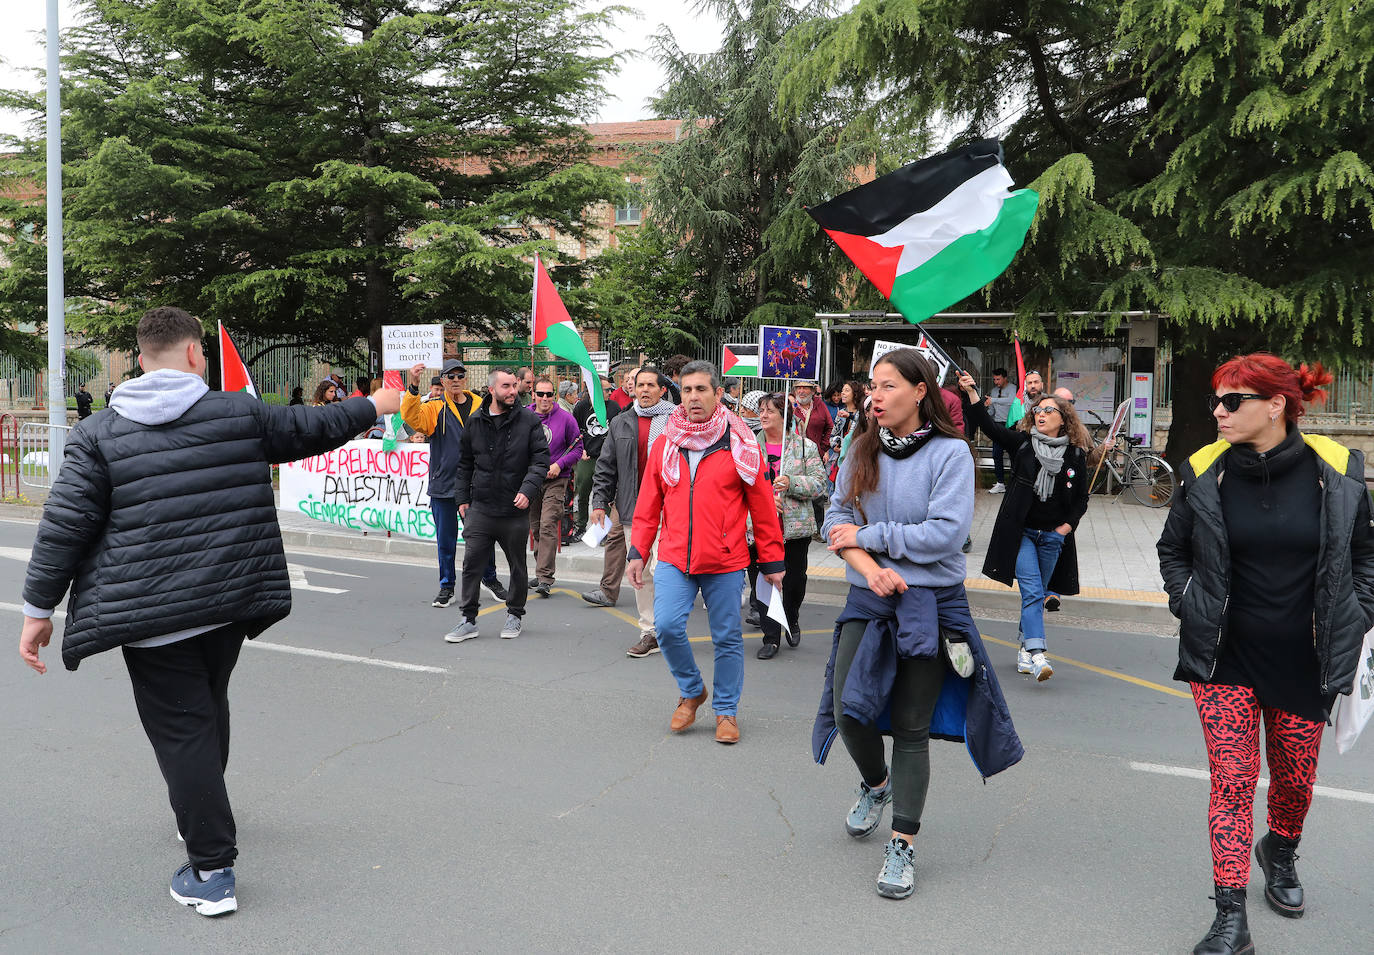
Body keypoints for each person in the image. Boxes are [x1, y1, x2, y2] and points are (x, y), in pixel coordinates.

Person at [19, 306, 400, 917]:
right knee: (207, 703)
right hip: (228, 603)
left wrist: (39, 609)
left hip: (149, 614)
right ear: (197, 355)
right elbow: (313, 425)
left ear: (140, 360)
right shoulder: (237, 413)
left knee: (182, 728)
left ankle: (211, 869)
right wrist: (377, 404)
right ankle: (200, 809)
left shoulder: (99, 434)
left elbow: (65, 526)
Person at [1156, 354, 1374, 955]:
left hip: (1306, 657)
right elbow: (1172, 551)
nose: (1218, 412)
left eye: (1232, 401)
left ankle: (1279, 848)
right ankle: (1230, 916)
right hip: (1224, 658)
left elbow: (1364, 555)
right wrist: (1188, 602)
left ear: (1276, 405)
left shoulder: (1337, 469)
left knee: (1296, 780)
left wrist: (1359, 614)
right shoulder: (1204, 470)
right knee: (1230, 782)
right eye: (1215, 401)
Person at [816, 348, 1021, 901]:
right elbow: (836, 520)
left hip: (932, 603)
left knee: (910, 727)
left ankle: (903, 843)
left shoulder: (951, 453)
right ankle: (875, 785)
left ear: (919, 392)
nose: (873, 396)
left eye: (886, 386)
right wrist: (871, 570)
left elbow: (945, 535)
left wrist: (872, 540)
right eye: (871, 386)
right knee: (847, 711)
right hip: (869, 597)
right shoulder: (862, 447)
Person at [627, 360, 784, 744]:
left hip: (726, 559)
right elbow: (649, 503)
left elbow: (762, 505)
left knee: (727, 638)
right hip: (676, 556)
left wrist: (773, 560)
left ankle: (726, 712)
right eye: (687, 390)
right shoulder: (667, 441)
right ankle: (692, 690)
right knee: (664, 627)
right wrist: (637, 551)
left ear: (718, 393)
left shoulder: (741, 442)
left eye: (701, 389)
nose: (694, 397)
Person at [959, 371, 1091, 683]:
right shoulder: (1023, 444)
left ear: (1064, 419)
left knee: (1035, 596)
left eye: (1049, 411)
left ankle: (1023, 648)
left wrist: (1065, 528)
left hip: (1053, 538)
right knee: (1033, 592)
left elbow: (1081, 499)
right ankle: (1037, 654)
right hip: (1021, 534)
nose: (1041, 414)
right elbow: (990, 428)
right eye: (1037, 411)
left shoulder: (1075, 454)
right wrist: (973, 394)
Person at [444, 369, 550, 643]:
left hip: (514, 510)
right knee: (471, 565)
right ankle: (468, 620)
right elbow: (465, 463)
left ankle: (514, 613)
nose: (513, 391)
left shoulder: (528, 421)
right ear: (492, 390)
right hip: (481, 507)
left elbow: (540, 461)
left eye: (514, 386)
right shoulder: (475, 421)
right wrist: (462, 499)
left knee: (517, 566)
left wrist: (528, 490)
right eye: (506, 386)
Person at [401, 359, 506, 610]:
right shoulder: (434, 407)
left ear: (465, 379)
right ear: (443, 381)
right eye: (451, 376)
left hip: (476, 485)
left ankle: (489, 578)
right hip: (444, 484)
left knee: (483, 537)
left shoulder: (481, 405)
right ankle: (447, 586)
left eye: (460, 375)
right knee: (445, 540)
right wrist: (414, 385)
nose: (456, 380)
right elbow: (412, 418)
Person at [586, 367, 675, 657]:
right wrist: (599, 502)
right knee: (642, 573)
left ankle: (669, 627)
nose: (645, 390)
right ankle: (650, 632)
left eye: (651, 385)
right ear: (633, 389)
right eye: (641, 385)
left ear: (662, 390)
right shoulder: (622, 422)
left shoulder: (678, 420)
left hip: (670, 510)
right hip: (633, 510)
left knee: (663, 571)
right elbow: (606, 467)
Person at [747, 393, 827, 659]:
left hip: (794, 530)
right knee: (762, 582)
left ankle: (791, 617)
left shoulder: (804, 447)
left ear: (784, 416)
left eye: (770, 410)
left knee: (794, 582)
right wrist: (765, 501)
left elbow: (819, 485)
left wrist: (791, 483)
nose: (763, 415)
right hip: (757, 528)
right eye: (761, 410)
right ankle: (771, 637)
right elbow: (738, 488)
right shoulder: (747, 446)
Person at [526, 375, 583, 596]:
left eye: (549, 394)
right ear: (534, 395)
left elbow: (578, 447)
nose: (545, 398)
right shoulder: (525, 416)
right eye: (540, 394)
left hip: (557, 480)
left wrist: (559, 464)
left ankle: (544, 577)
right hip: (532, 478)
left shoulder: (566, 418)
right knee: (537, 526)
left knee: (549, 523)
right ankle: (541, 570)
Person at [571, 374, 619, 542]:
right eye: (607, 390)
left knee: (604, 495)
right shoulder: (581, 407)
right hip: (587, 457)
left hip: (606, 458)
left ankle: (601, 531)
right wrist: (580, 449)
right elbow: (574, 432)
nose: (610, 393)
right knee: (583, 491)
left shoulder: (614, 408)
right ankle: (580, 525)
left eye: (610, 389)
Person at [984, 368, 1016, 493]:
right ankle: (1000, 483)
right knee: (996, 454)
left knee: (1013, 455)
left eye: (998, 379)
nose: (996, 382)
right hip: (997, 425)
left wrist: (993, 400)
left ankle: (1014, 483)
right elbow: (992, 411)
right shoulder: (993, 391)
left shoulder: (1013, 388)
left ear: (1004, 378)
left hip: (1010, 425)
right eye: (994, 379)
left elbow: (1011, 401)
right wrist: (987, 408)